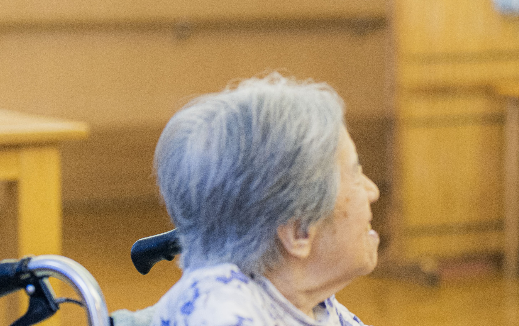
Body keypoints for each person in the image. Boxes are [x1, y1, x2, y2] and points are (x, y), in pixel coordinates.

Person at [150, 74, 379, 326]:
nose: (373, 191)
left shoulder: (311, 305)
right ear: (299, 231)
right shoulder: (218, 313)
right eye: (355, 173)